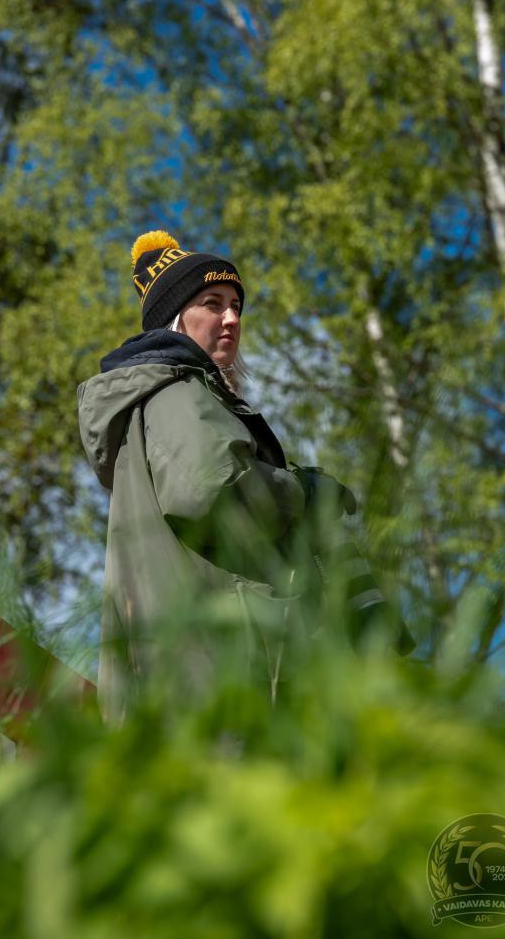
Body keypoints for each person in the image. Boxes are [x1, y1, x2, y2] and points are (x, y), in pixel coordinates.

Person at [78, 231, 413, 724]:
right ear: (175, 319)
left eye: (235, 305)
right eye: (212, 303)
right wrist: (302, 492)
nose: (232, 318)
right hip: (219, 679)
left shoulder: (166, 400)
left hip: (191, 679)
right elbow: (211, 490)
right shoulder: (175, 392)